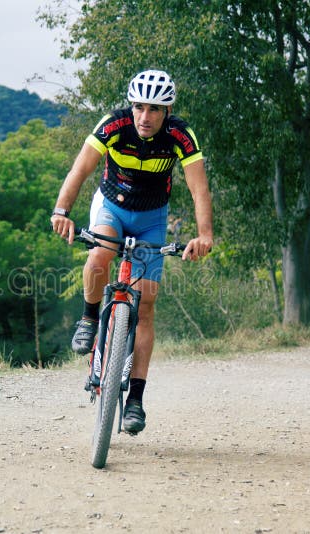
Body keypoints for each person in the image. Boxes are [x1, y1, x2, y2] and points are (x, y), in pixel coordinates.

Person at [50, 69, 214, 435]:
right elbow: (81, 169)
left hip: (152, 219)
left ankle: (135, 400)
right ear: (131, 107)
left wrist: (204, 235)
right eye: (139, 107)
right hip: (112, 207)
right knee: (99, 257)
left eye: (154, 109)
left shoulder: (180, 136)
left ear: (167, 111)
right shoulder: (114, 125)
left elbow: (198, 189)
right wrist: (61, 212)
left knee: (146, 308)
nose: (145, 116)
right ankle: (90, 319)